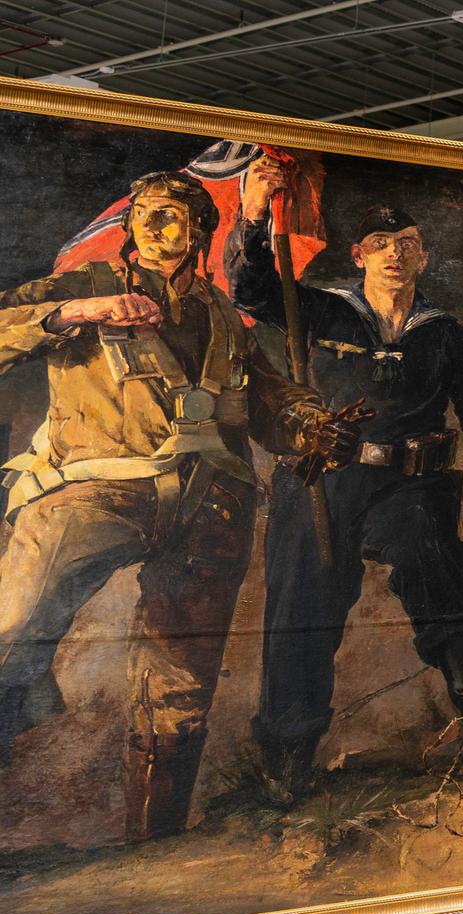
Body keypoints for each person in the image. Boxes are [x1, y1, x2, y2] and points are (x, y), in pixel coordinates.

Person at [0, 171, 354, 837]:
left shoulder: (223, 317)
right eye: (147, 218)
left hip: (211, 505)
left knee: (180, 691)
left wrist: (309, 424)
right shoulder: (81, 286)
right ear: (130, 226)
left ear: (200, 234)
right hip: (95, 490)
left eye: (176, 220)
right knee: (12, 626)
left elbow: (269, 399)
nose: (158, 231)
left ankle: (153, 845)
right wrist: (74, 314)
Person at [230, 158, 463, 805]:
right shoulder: (315, 310)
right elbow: (252, 291)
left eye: (406, 245)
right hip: (322, 480)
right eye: (380, 246)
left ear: (424, 257)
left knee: (441, 565)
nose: (394, 255)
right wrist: (256, 214)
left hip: (409, 486)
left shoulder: (446, 336)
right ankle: (287, 758)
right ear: (359, 257)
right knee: (302, 609)